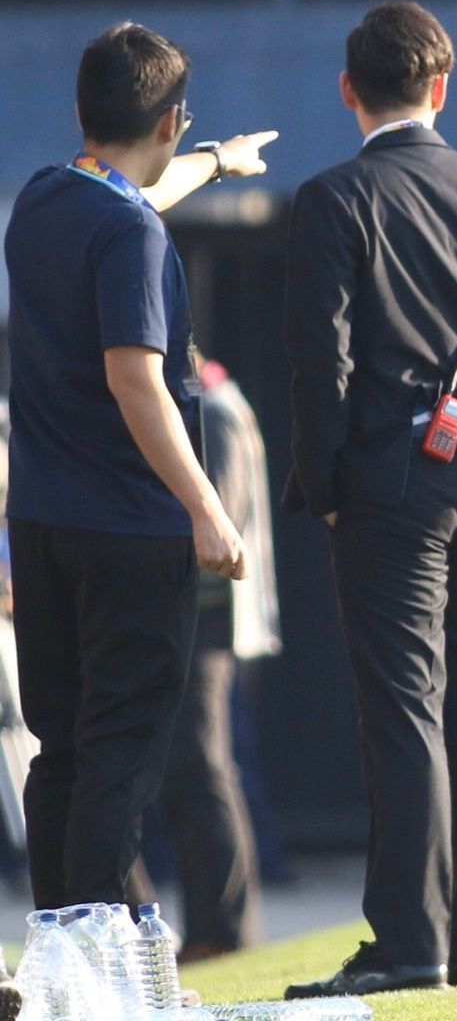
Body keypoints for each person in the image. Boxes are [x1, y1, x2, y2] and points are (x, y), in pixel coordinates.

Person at [281, 1, 457, 999]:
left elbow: (324, 363)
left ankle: (410, 944)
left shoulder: (333, 199)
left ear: (350, 90)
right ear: (441, 89)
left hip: (392, 486)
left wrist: (324, 487)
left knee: (405, 711)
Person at [3, 22, 275, 911]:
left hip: (43, 529)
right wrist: (207, 508)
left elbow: (135, 194)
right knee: (122, 755)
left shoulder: (42, 199)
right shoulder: (135, 237)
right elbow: (136, 379)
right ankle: (100, 957)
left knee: (64, 751)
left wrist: (217, 162)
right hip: (129, 532)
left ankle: (62, 946)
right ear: (168, 120)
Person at [150, 361, 278, 961]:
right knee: (195, 769)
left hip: (207, 617)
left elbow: (218, 517)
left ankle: (222, 928)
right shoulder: (219, 402)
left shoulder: (217, 407)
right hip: (200, 615)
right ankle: (212, 924)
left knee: (202, 768)